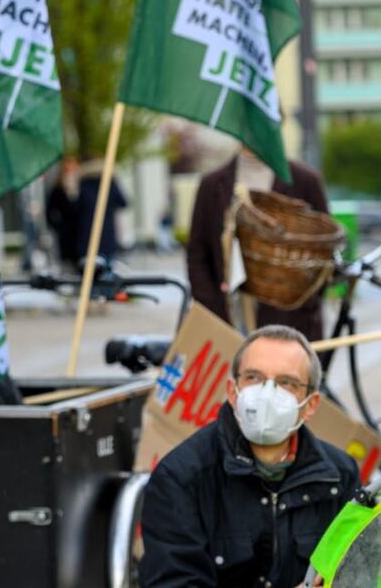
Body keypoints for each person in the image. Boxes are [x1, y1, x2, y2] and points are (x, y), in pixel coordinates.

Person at [139, 325, 359, 587]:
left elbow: (363, 569)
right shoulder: (181, 478)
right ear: (233, 392)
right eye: (254, 377)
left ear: (310, 404)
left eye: (286, 383)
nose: (267, 394)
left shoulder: (339, 476)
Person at [187, 149, 330, 340]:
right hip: (229, 318)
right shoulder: (213, 184)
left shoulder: (305, 180)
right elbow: (197, 251)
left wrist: (305, 302)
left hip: (291, 322)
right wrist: (212, 306)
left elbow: (325, 251)